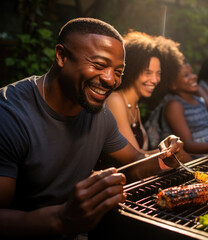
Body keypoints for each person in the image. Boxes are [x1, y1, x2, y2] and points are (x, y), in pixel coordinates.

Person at [0, 18, 184, 240]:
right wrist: (61, 218)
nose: (110, 80)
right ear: (61, 56)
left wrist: (164, 157)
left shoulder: (99, 113)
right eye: (98, 65)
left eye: (118, 71)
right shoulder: (9, 115)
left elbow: (135, 162)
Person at [105, 31, 187, 157]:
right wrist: (172, 152)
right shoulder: (115, 100)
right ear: (132, 70)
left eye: (158, 73)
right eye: (147, 72)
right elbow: (134, 158)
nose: (155, 80)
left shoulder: (134, 106)